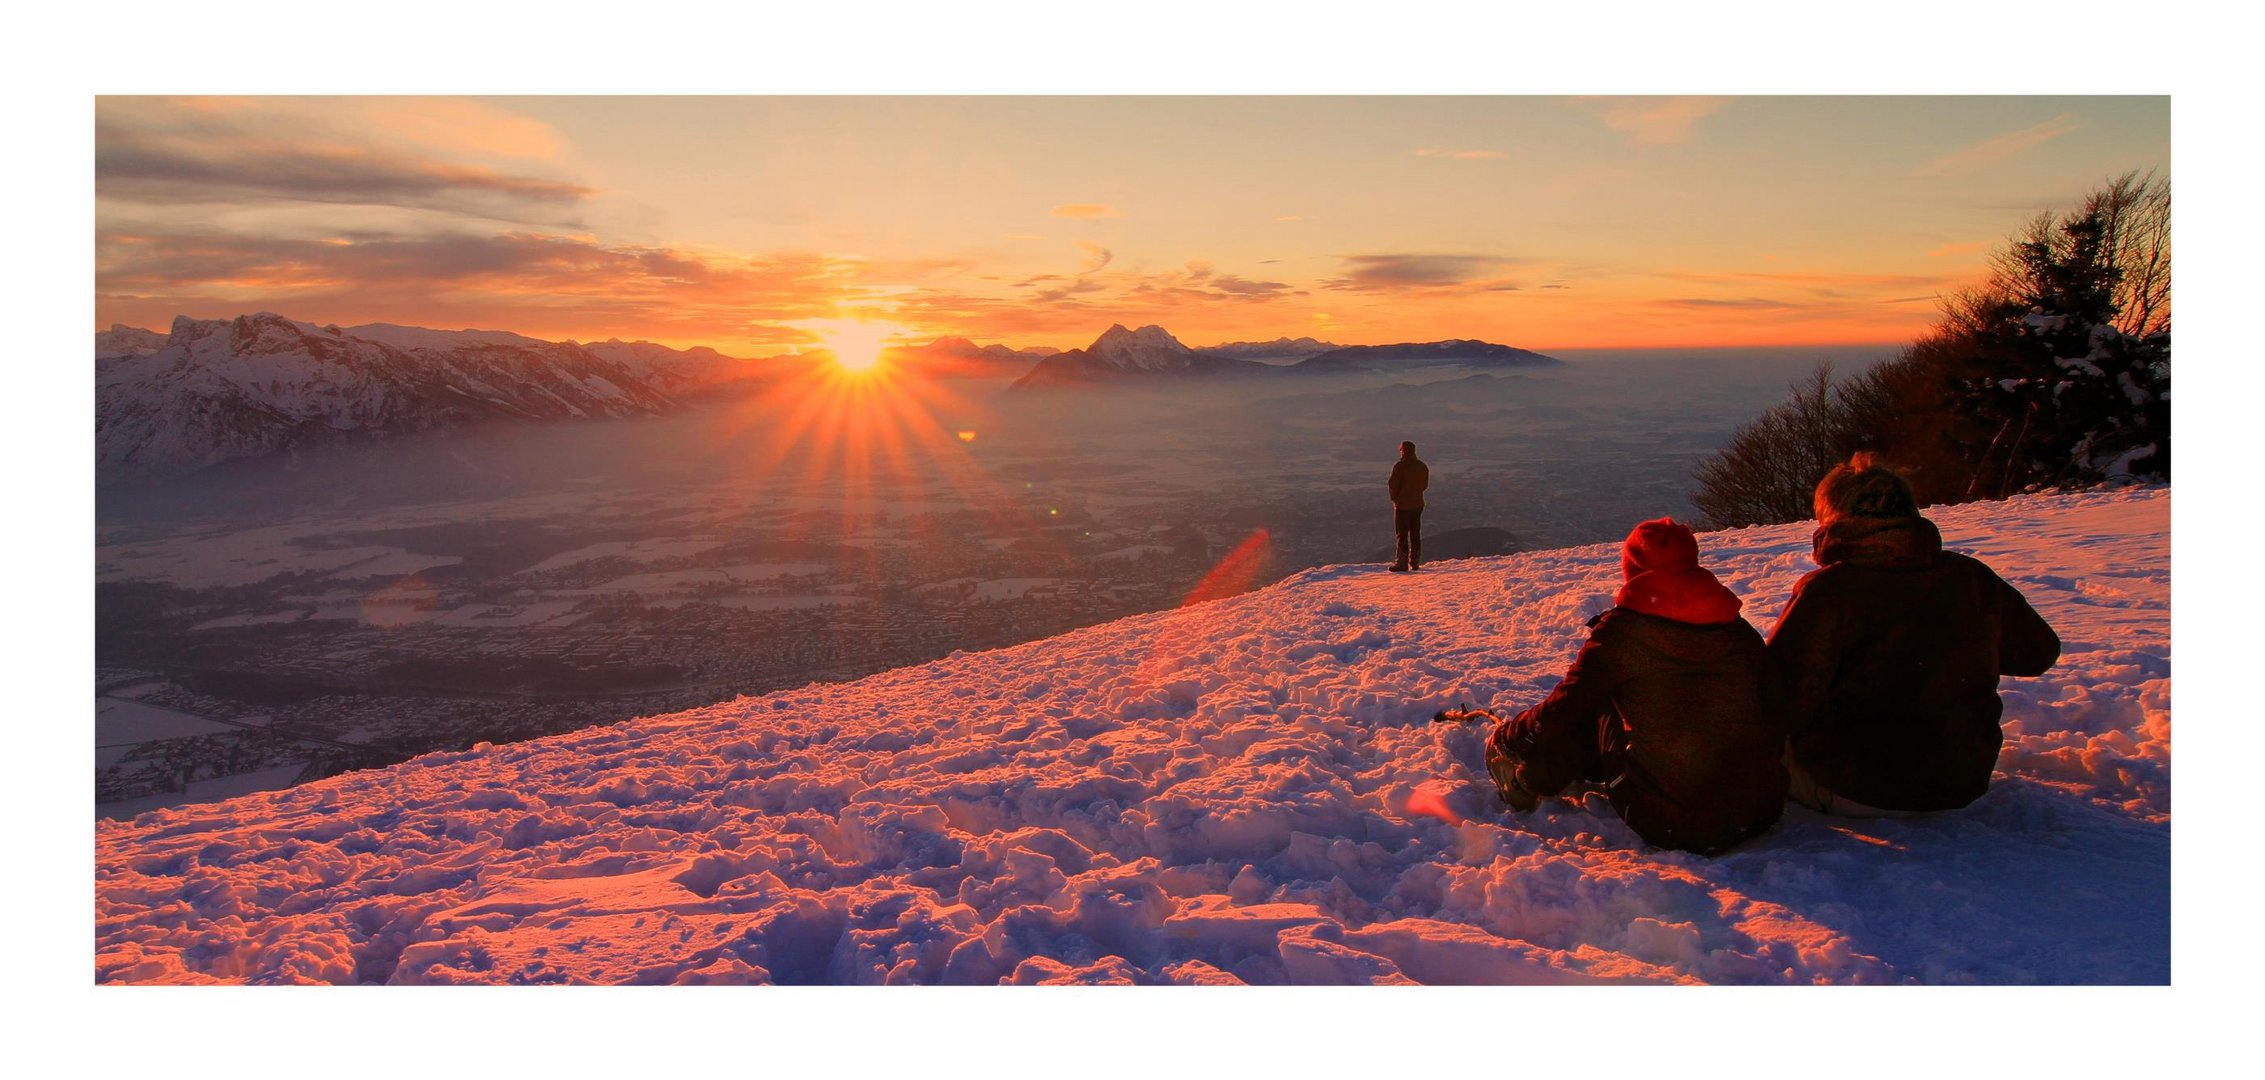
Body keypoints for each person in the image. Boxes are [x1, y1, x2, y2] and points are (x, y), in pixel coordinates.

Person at [1470, 517, 1787, 854]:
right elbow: (1777, 706)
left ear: (1633, 569)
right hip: (1759, 811)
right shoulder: (1736, 628)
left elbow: (1566, 705)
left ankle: (1530, 779)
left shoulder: (1625, 633)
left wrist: (1509, 737)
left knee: (1600, 694)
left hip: (1668, 820)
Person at [1767, 453, 2060, 816]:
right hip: (1963, 780)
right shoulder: (1969, 577)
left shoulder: (1830, 591)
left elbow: (1779, 698)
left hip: (1856, 787)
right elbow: (2038, 654)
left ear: (1831, 517)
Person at [1387, 441, 1428, 572]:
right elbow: (1424, 486)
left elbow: (1393, 484)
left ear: (1403, 451)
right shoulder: (1422, 466)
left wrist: (1395, 498)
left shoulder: (1400, 467)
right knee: (1415, 532)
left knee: (1402, 534)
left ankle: (1402, 562)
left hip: (1403, 506)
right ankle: (1415, 561)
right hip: (1417, 504)